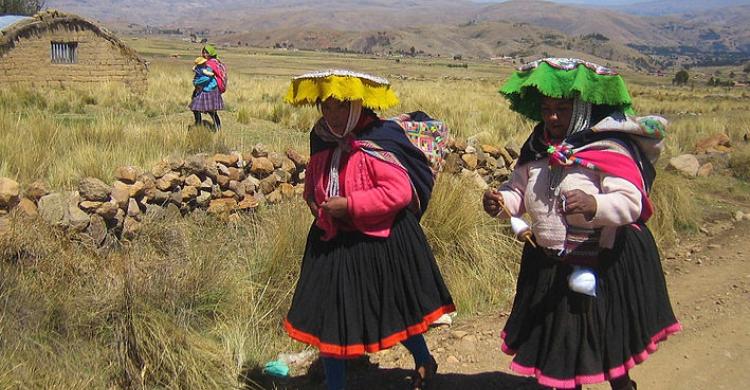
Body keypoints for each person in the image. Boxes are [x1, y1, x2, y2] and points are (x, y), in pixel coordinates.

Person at [483, 58, 681, 390]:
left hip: (599, 263)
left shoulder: (608, 149)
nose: (552, 117)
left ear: (581, 109)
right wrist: (501, 203)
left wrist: (594, 205)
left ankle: (622, 386)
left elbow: (632, 203)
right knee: (562, 344)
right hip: (548, 264)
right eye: (546, 108)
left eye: (561, 108)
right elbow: (518, 190)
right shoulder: (537, 149)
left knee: (604, 336)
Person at [282, 70, 455, 390]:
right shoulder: (320, 136)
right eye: (326, 106)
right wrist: (312, 198)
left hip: (379, 243)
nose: (332, 115)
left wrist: (350, 206)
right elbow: (315, 175)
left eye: (341, 107)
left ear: (357, 105)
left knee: (394, 311)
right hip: (333, 242)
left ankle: (423, 359)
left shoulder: (377, 138)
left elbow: (398, 193)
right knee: (332, 322)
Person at [189, 44, 225, 130]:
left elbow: (207, 77)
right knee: (197, 108)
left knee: (210, 110)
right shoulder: (206, 62)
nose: (205, 54)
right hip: (204, 89)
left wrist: (196, 82)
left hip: (209, 90)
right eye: (203, 52)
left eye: (207, 52)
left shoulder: (210, 64)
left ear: (211, 53)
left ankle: (216, 127)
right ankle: (200, 125)